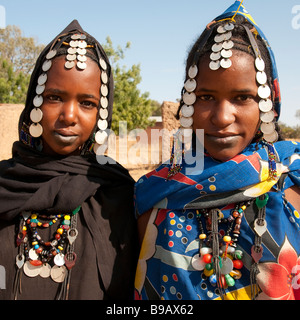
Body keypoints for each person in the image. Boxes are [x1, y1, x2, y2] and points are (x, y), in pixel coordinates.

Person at [134, 1, 300, 300]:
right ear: (187, 104)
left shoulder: (294, 186)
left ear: (268, 105)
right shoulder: (152, 196)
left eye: (241, 97)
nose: (222, 117)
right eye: (206, 96)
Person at [0, 20, 138, 300]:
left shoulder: (118, 195)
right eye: (54, 98)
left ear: (101, 115)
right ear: (35, 104)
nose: (69, 116)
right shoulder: (5, 186)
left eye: (87, 103)